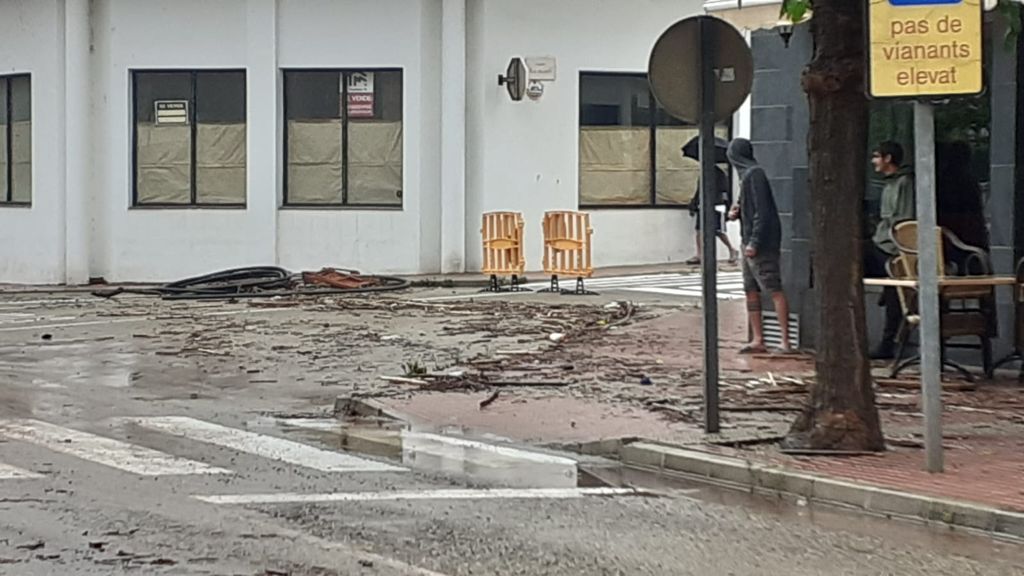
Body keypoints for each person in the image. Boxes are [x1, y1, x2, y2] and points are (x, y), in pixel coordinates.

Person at [726, 138, 792, 354]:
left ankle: (784, 341)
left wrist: (754, 241)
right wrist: (737, 212)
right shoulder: (747, 177)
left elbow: (762, 213)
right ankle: (758, 338)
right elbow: (753, 208)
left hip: (761, 243)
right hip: (749, 240)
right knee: (750, 289)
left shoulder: (754, 175)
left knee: (773, 287)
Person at [864, 140, 915, 360]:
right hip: (881, 241)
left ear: (888, 159)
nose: (874, 161)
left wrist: (898, 248)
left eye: (877, 156)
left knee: (895, 293)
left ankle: (888, 342)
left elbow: (903, 219)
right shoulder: (889, 183)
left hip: (892, 247)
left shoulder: (904, 183)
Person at [686, 165, 739, 265]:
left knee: (717, 230)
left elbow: (724, 191)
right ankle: (699, 254)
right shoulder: (702, 173)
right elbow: (699, 190)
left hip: (716, 205)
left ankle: (732, 249)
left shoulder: (719, 173)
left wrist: (725, 205)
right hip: (703, 205)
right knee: (699, 230)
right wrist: (694, 203)